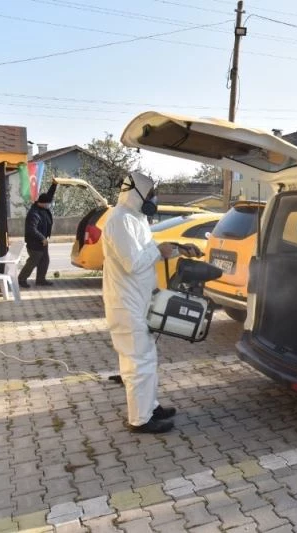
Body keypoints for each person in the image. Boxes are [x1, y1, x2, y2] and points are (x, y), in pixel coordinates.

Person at [102, 172, 199, 434]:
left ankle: (150, 406)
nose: (154, 198)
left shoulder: (136, 218)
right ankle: (140, 419)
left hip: (139, 301)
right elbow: (133, 262)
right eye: (151, 193)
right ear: (138, 194)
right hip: (126, 304)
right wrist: (160, 251)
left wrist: (178, 248)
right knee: (138, 361)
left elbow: (147, 248)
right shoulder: (120, 220)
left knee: (145, 358)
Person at [18, 182, 58, 288]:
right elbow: (31, 229)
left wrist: (54, 184)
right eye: (48, 203)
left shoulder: (43, 207)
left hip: (43, 242)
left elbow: (48, 196)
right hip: (35, 242)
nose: (49, 205)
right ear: (42, 203)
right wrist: (42, 238)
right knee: (33, 261)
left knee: (45, 260)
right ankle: (21, 279)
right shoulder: (34, 213)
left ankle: (40, 279)